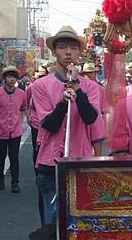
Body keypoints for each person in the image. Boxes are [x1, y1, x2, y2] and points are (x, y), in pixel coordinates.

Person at [31, 26, 105, 225]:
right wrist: (63, 103)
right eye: (62, 48)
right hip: (50, 163)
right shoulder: (40, 86)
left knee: (82, 223)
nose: (68, 52)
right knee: (51, 225)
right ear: (55, 52)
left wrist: (78, 90)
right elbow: (49, 124)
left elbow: (91, 118)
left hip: (81, 161)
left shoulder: (92, 88)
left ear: (79, 53)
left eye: (73, 48)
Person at [26, 65, 48, 170]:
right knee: (36, 148)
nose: (41, 77)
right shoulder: (31, 87)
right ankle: (37, 170)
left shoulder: (50, 85)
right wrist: (28, 116)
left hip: (48, 122)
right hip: (35, 122)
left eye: (43, 75)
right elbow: (26, 103)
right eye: (39, 76)